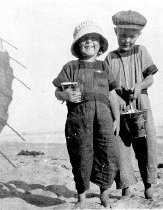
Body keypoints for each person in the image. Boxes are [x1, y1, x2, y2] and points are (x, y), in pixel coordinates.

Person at [52, 20, 120, 208]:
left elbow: (112, 94)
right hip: (78, 120)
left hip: (105, 118)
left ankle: (104, 194)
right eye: (84, 40)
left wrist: (118, 118)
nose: (89, 42)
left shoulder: (104, 66)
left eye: (93, 39)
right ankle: (81, 197)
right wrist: (64, 95)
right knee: (81, 155)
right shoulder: (71, 66)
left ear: (100, 45)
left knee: (107, 153)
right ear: (77, 45)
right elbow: (57, 91)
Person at [105, 10, 158, 199]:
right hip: (119, 106)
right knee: (121, 146)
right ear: (115, 32)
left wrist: (140, 85)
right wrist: (117, 97)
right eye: (123, 35)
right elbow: (107, 87)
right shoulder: (109, 58)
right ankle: (126, 186)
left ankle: (149, 184)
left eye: (131, 36)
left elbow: (150, 78)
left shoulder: (141, 51)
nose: (127, 40)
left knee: (146, 144)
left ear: (138, 36)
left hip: (141, 102)